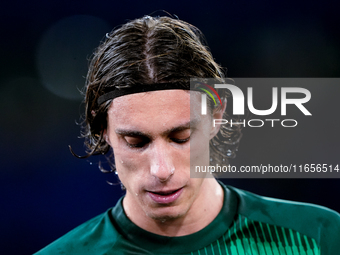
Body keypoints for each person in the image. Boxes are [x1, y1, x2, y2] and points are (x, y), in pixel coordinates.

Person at [35, 15, 340, 255]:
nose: (161, 170)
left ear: (216, 117)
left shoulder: (320, 237)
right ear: (102, 131)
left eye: (181, 137)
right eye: (136, 142)